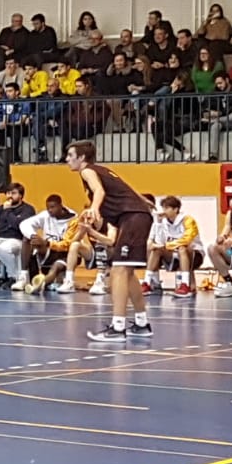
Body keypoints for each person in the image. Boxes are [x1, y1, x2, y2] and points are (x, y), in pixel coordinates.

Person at [67, 139, 155, 341]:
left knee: (118, 270)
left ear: (81, 157)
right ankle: (142, 324)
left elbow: (99, 191)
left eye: (70, 155)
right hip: (134, 216)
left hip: (132, 217)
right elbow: (127, 189)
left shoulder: (87, 171)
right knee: (127, 272)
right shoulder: (103, 170)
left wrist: (94, 208)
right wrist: (143, 201)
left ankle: (118, 327)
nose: (67, 159)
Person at [21, 194, 81, 294]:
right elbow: (24, 224)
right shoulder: (46, 215)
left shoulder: (73, 220)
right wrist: (33, 236)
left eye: (52, 207)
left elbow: (67, 245)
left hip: (67, 254)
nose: (50, 210)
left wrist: (46, 243)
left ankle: (39, 284)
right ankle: (23, 277)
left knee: (55, 268)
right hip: (50, 250)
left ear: (61, 206)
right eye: (48, 207)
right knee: (27, 238)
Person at [144, 196, 202, 298]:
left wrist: (167, 245)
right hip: (173, 254)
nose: (164, 211)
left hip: (194, 255)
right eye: (163, 208)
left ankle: (185, 285)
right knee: (156, 250)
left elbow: (186, 240)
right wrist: (158, 224)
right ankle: (147, 283)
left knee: (182, 248)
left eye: (167, 208)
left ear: (175, 209)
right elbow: (159, 242)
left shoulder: (188, 220)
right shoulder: (162, 221)